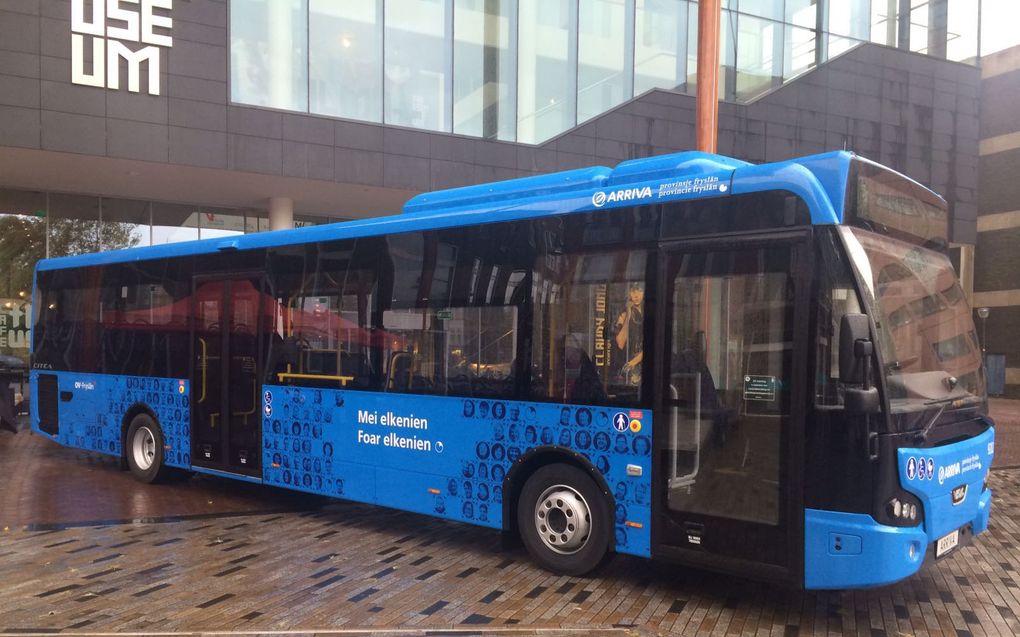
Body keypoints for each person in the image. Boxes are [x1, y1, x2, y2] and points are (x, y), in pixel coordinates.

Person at [615, 283, 644, 385]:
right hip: (628, 362)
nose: (636, 295)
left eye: (639, 291)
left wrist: (633, 363)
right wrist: (628, 316)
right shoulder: (624, 313)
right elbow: (620, 343)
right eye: (633, 292)